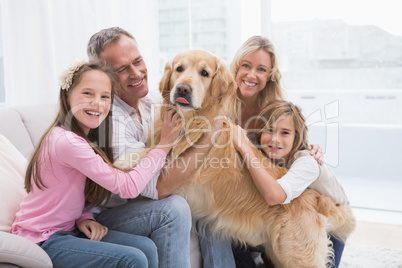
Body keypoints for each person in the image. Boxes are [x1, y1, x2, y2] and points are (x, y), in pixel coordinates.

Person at [10, 60, 181, 267]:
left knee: (145, 247)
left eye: (105, 96)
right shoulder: (67, 142)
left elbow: (67, 193)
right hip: (42, 239)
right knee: (132, 258)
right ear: (67, 95)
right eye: (88, 94)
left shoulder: (84, 138)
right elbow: (128, 187)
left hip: (70, 228)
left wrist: (83, 216)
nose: (97, 103)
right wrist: (163, 146)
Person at [87, 27, 224, 268]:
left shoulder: (154, 101)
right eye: (122, 69)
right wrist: (208, 138)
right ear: (103, 76)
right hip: (110, 216)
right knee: (174, 208)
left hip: (142, 204)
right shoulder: (107, 119)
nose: (136, 72)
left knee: (212, 204)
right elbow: (159, 188)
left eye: (138, 61)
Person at [232, 100, 349, 268]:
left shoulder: (307, 162)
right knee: (232, 232)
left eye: (285, 133)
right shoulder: (266, 155)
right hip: (294, 213)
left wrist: (244, 148)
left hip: (332, 221)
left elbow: (274, 196)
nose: (275, 139)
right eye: (269, 130)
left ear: (296, 138)